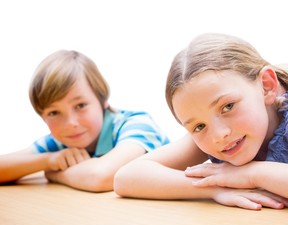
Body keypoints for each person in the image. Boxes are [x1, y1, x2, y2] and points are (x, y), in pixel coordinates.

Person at [114, 33, 288, 215]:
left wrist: (252, 174)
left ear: (266, 86)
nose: (219, 135)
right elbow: (127, 177)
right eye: (198, 126)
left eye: (228, 106)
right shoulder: (215, 136)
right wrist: (215, 189)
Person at [0, 50, 169, 192]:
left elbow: (102, 176)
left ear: (103, 101)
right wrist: (48, 160)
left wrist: (53, 173)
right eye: (53, 113)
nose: (70, 123)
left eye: (80, 105)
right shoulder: (59, 144)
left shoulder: (136, 124)